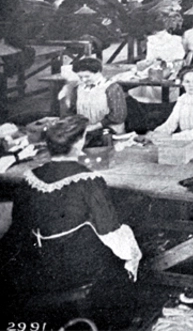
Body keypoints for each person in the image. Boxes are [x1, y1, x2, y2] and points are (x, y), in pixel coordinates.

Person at [0, 115, 141, 328]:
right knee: (122, 247)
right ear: (79, 143)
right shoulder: (88, 180)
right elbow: (110, 230)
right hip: (73, 268)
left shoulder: (30, 176)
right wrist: (131, 250)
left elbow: (20, 225)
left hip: (36, 262)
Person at [65, 57, 127, 135]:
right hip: (87, 129)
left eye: (87, 76)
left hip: (110, 130)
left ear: (98, 72)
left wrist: (94, 127)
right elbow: (73, 110)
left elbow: (118, 116)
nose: (83, 80)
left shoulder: (112, 88)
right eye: (80, 77)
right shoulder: (77, 89)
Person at [128, 21, 186, 104]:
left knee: (142, 75)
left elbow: (149, 59)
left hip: (156, 71)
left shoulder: (151, 40)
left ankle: (150, 103)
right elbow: (181, 56)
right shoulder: (176, 39)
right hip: (172, 71)